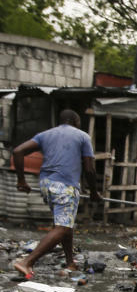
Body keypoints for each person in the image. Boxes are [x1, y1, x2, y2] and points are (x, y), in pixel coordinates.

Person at [12, 109, 101, 279]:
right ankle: (27, 262)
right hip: (65, 186)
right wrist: (94, 192)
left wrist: (21, 180)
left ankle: (70, 262)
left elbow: (17, 152)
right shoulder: (82, 136)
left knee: (64, 225)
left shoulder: (45, 135)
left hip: (46, 184)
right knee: (63, 227)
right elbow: (89, 168)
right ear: (75, 121)